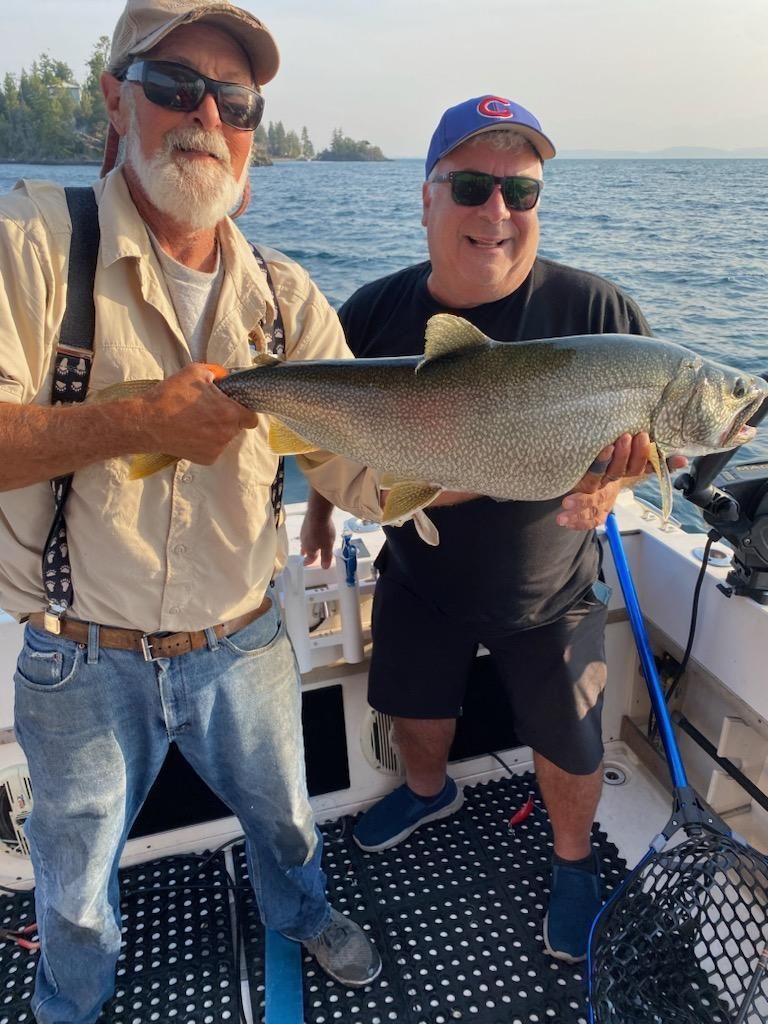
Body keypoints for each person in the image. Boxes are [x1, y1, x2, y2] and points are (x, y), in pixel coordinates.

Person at [0, 1, 385, 1019]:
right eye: (175, 86)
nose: (205, 115)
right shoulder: (31, 243)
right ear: (115, 97)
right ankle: (69, 998)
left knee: (288, 819)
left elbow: (367, 478)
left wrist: (546, 460)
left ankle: (301, 911)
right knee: (73, 879)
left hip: (243, 632)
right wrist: (133, 425)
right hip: (79, 649)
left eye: (236, 98)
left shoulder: (287, 299)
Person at [300, 94, 682, 965]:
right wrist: (322, 505)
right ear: (427, 197)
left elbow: (651, 449)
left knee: (572, 740)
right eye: (471, 185)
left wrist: (616, 488)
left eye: (522, 190)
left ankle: (576, 862)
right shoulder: (370, 312)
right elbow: (331, 425)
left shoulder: (604, 315)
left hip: (548, 587)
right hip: (420, 572)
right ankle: (429, 791)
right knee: (415, 710)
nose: (497, 212)